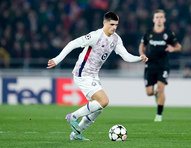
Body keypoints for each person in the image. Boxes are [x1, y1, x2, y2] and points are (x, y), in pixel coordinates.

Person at [47, 11, 148, 140]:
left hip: (94, 75)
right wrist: (57, 59)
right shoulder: (95, 36)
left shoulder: (116, 39)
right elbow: (73, 43)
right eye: (112, 24)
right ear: (104, 23)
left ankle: (76, 134)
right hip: (82, 73)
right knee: (104, 101)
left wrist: (139, 58)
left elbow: (126, 56)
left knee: (97, 108)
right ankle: (73, 117)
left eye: (116, 25)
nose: (114, 27)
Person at [139, 9, 181, 122]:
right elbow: (142, 45)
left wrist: (173, 48)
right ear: (153, 19)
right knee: (149, 93)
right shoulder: (148, 33)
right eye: (157, 17)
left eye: (161, 17)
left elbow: (179, 47)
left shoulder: (168, 33)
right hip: (150, 64)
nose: (159, 19)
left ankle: (159, 115)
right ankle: (155, 93)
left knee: (161, 88)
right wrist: (142, 54)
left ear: (164, 19)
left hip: (163, 65)